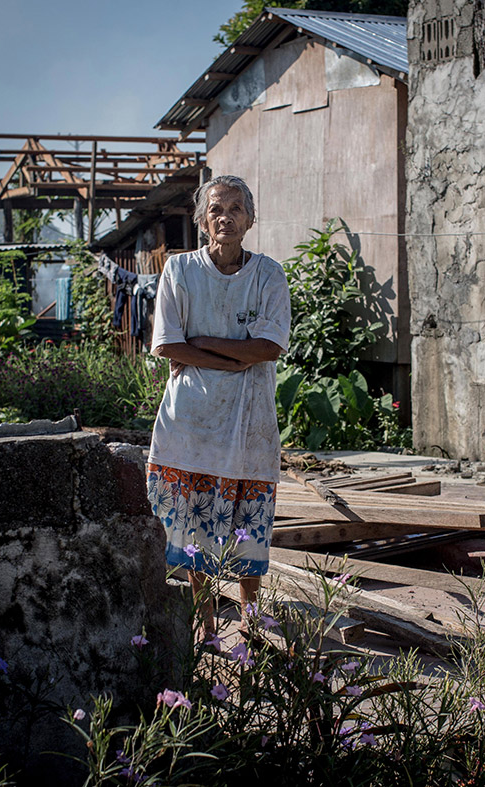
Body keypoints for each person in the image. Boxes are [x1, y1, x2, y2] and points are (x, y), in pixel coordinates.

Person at [146, 175, 291, 638]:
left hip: (249, 422)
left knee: (249, 527)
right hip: (190, 420)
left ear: (250, 219)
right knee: (192, 529)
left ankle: (250, 622)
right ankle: (206, 623)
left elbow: (269, 347)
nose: (225, 216)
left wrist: (204, 342)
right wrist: (233, 356)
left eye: (235, 209)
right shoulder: (180, 271)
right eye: (216, 209)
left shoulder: (268, 274)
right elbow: (169, 345)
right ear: (202, 220)